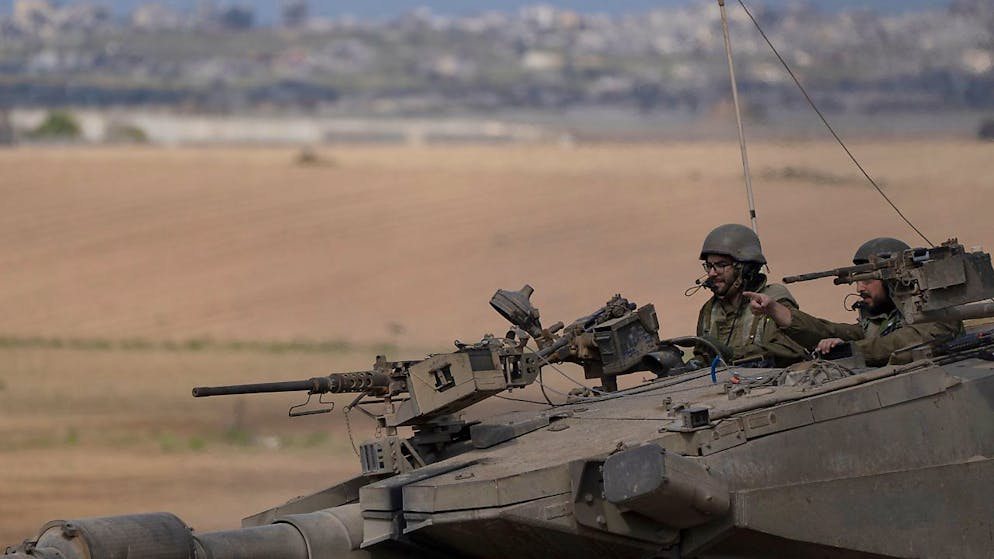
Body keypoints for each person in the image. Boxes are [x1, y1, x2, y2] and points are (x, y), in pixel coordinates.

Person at [744, 237, 963, 366]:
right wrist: (776, 311)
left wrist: (851, 349)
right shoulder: (882, 319)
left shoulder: (939, 315)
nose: (859, 288)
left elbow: (897, 343)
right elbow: (833, 330)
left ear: (894, 279)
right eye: (857, 281)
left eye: (867, 279)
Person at [694, 224, 808, 367]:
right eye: (709, 266)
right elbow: (703, 356)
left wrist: (731, 354)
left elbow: (788, 350)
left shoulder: (772, 300)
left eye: (721, 265)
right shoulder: (710, 310)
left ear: (745, 268)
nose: (711, 273)